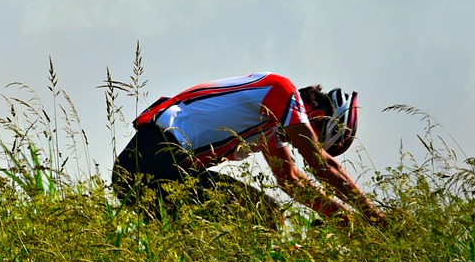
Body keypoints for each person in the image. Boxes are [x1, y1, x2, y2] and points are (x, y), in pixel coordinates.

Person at [112, 72, 385, 227]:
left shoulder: (268, 124)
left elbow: (290, 180)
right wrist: (373, 216)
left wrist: (339, 216)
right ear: (316, 116)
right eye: (318, 135)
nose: (299, 141)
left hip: (141, 169)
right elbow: (321, 165)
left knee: (210, 244)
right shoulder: (280, 91)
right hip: (157, 159)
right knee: (264, 213)